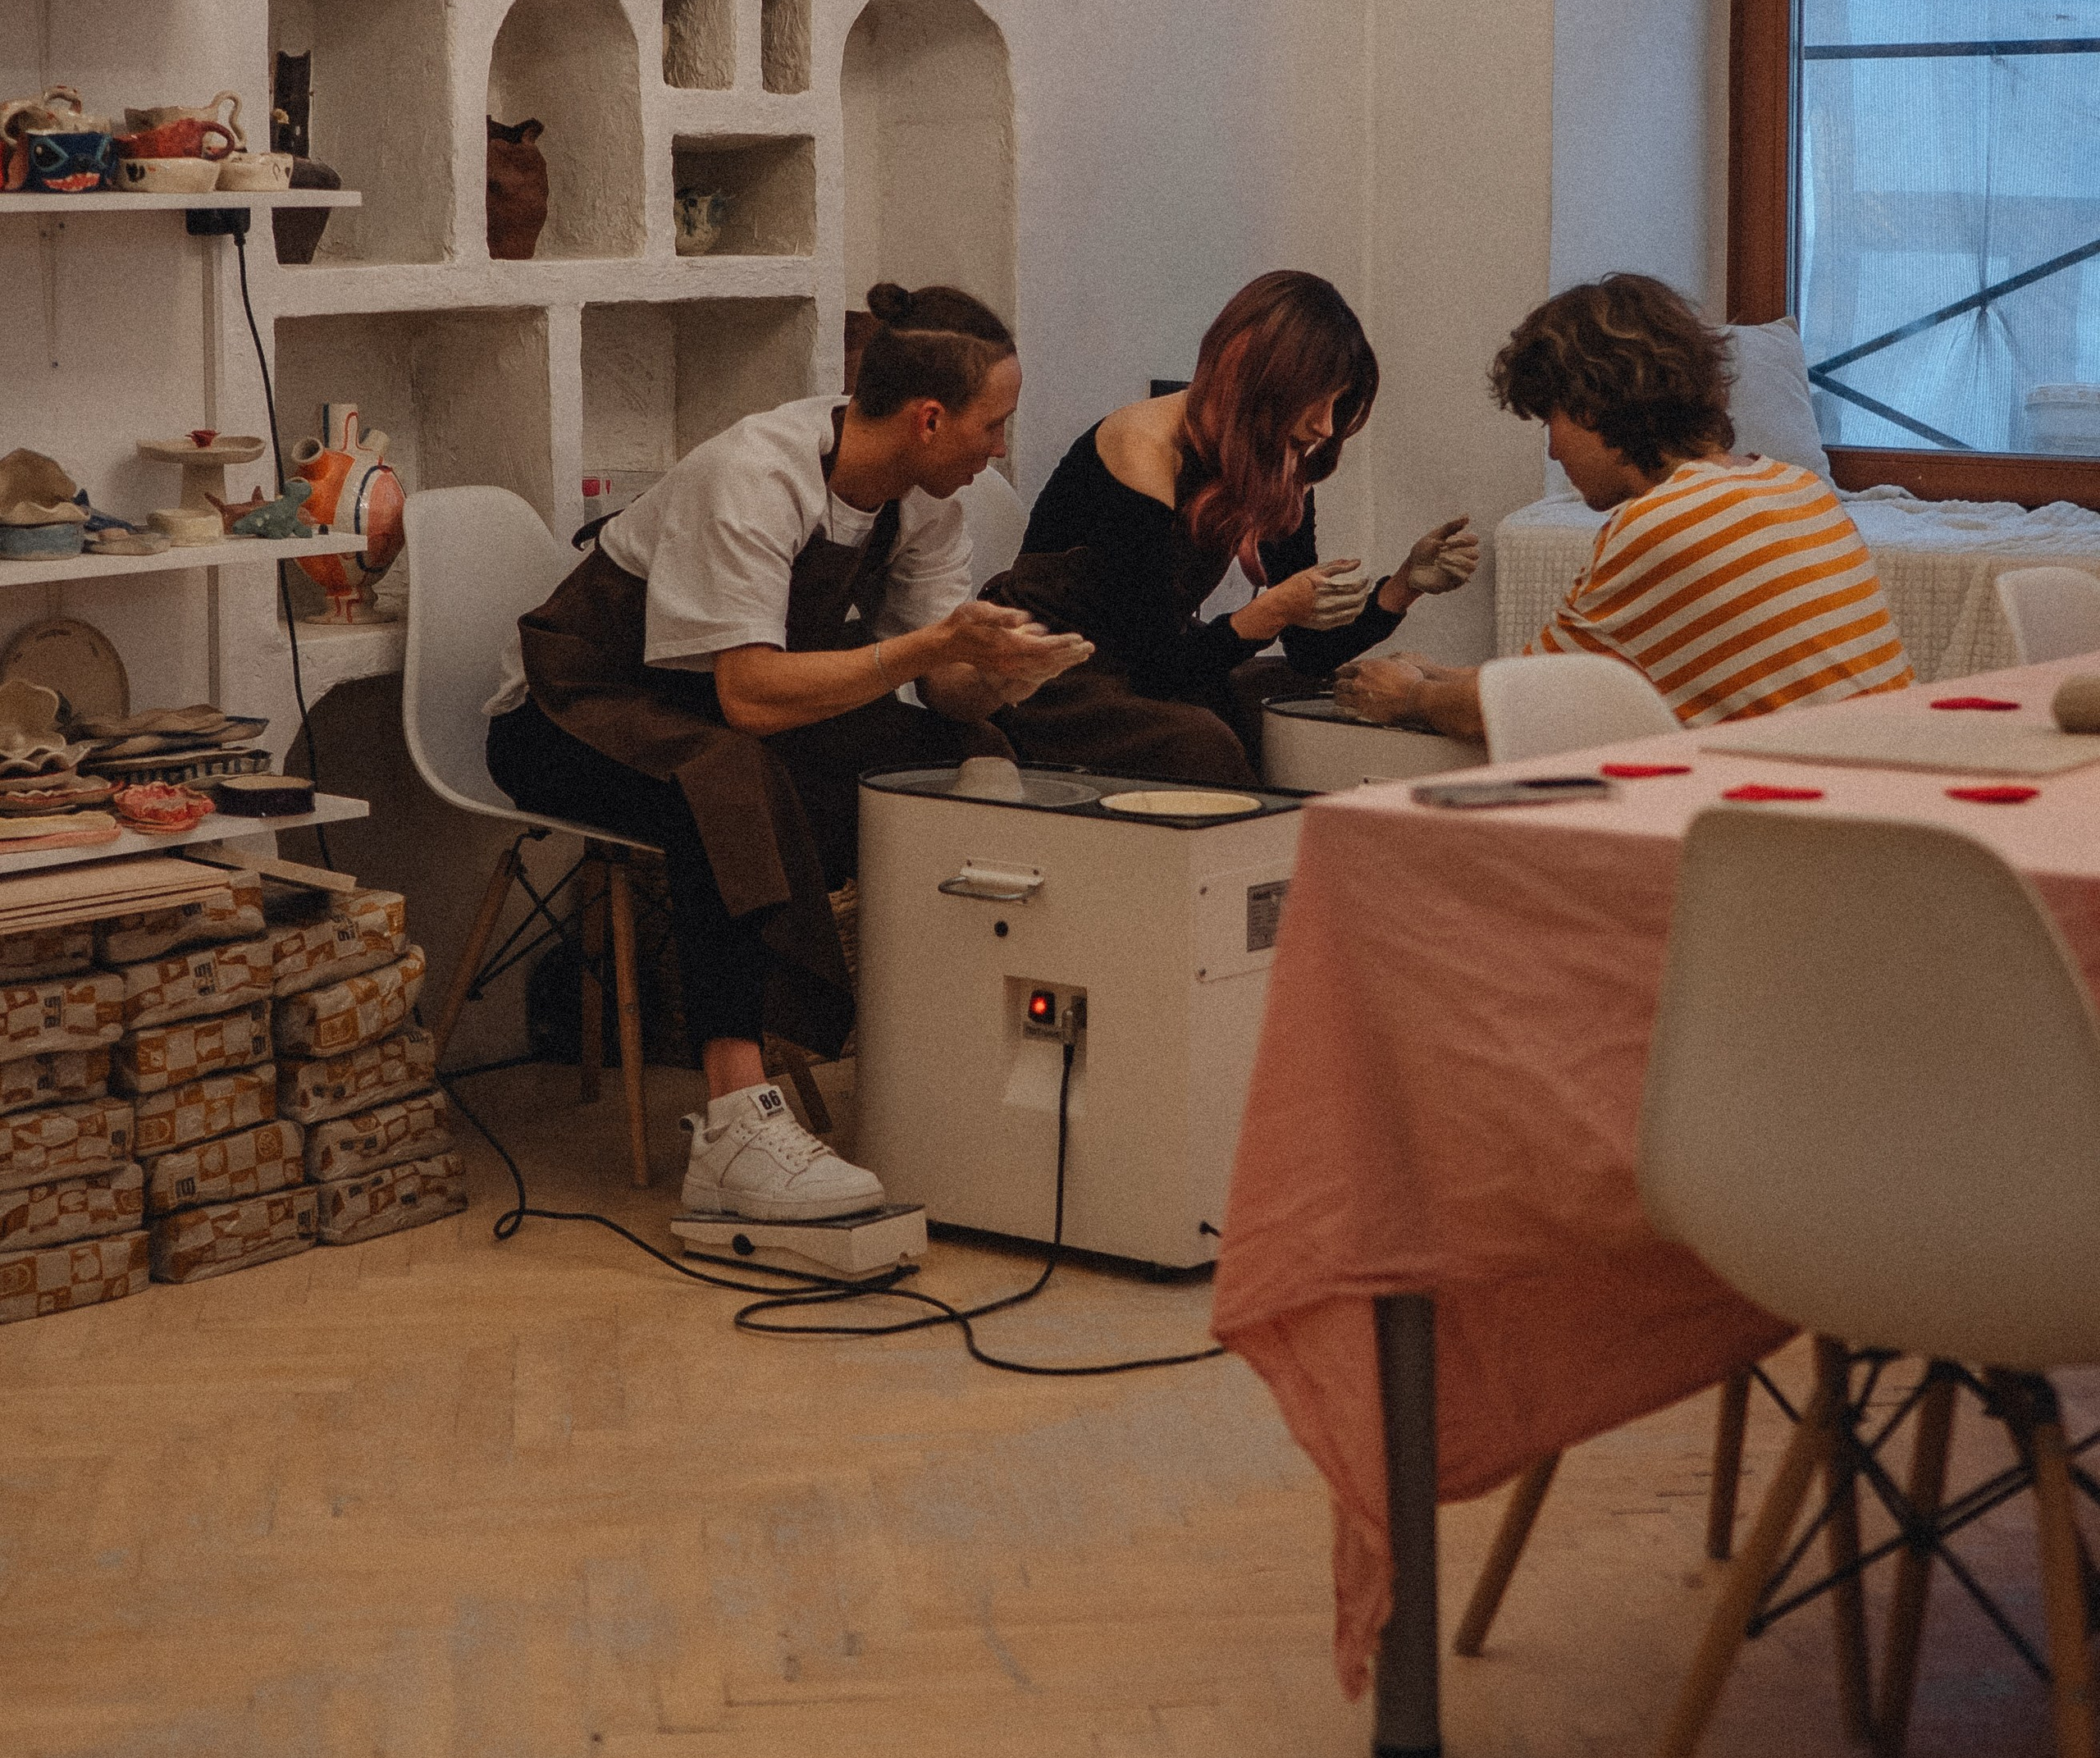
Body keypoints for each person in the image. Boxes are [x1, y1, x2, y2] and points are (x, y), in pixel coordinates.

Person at [485, 284, 1089, 1219]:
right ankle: (734, 1128)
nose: (1000, 449)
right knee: (724, 781)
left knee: (964, 749)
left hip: (711, 705)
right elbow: (750, 697)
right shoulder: (755, 475)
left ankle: (958, 1050)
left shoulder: (925, 501)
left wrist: (1004, 675)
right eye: (993, 425)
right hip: (569, 711)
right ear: (930, 419)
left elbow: (942, 686)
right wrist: (930, 647)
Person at [1332, 271, 1912, 740]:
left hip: (1805, 820)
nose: (1554, 450)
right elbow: (1575, 678)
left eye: (1551, 421)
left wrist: (1412, 696)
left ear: (1590, 406)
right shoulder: (1795, 487)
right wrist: (1439, 673)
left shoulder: (1665, 524)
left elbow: (1525, 707)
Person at [983, 270, 1480, 785]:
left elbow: (1309, 652)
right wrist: (1272, 610)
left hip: (1150, 659)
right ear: (1261, 381)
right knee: (1201, 743)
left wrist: (1404, 586)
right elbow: (1157, 668)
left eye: (1337, 403)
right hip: (1052, 668)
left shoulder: (1275, 458)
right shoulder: (1143, 449)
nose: (1326, 426)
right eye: (1316, 400)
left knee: (1325, 695)